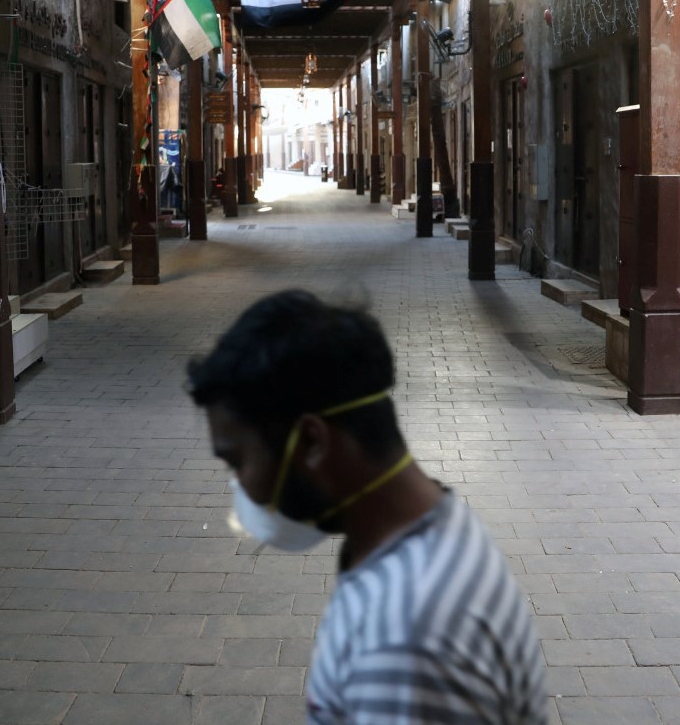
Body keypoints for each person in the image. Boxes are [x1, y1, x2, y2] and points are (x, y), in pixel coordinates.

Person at [187, 290, 547, 725]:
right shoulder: (431, 525)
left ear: (313, 443)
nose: (238, 485)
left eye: (237, 460)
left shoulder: (404, 642)